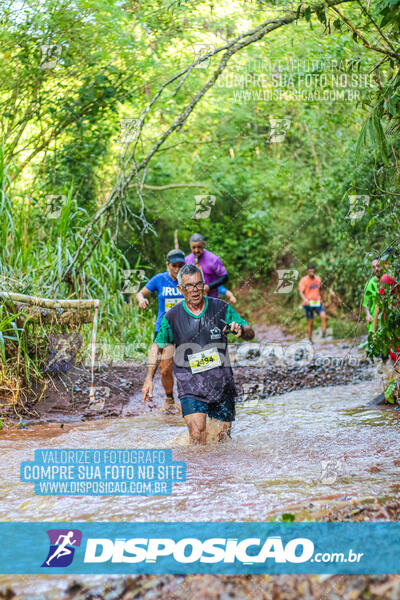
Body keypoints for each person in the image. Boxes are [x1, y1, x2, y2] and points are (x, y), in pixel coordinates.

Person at [141, 264, 255, 444]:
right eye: (189, 286)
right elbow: (157, 346)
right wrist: (148, 378)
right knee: (197, 435)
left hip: (221, 383)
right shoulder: (171, 317)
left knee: (222, 440)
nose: (194, 290)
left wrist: (241, 330)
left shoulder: (221, 308)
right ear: (180, 289)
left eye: (198, 284)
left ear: (204, 284)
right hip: (190, 386)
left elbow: (250, 332)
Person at [135, 249, 185, 413]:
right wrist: (142, 300)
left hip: (186, 327)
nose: (177, 269)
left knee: (189, 365)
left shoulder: (188, 278)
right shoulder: (159, 279)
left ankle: (190, 398)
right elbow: (140, 293)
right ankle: (169, 398)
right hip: (165, 328)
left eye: (180, 265)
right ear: (167, 264)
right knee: (165, 368)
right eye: (174, 266)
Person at [185, 233, 228, 298]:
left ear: (204, 245)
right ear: (190, 246)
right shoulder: (186, 260)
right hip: (193, 299)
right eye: (193, 247)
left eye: (199, 247)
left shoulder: (213, 259)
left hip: (212, 298)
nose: (196, 250)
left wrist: (209, 286)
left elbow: (224, 277)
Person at [298, 263, 327, 342]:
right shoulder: (303, 280)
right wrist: (305, 300)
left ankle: (324, 335)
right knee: (310, 322)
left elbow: (321, 290)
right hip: (308, 303)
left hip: (318, 302)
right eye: (310, 271)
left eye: (313, 271)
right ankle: (310, 340)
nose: (312, 272)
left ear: (314, 271)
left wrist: (323, 300)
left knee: (324, 316)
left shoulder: (318, 279)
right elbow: (301, 292)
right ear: (307, 271)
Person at [363, 258, 382, 333]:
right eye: (373, 267)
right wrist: (368, 314)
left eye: (378, 266)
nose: (376, 269)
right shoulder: (369, 284)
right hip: (374, 320)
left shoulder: (387, 280)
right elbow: (365, 303)